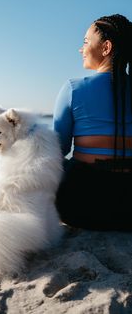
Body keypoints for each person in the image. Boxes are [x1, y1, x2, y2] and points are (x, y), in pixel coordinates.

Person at [53, 13, 132, 231]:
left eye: (86, 42)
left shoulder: (73, 88)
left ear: (106, 48)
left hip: (80, 207)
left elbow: (56, 151)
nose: (81, 48)